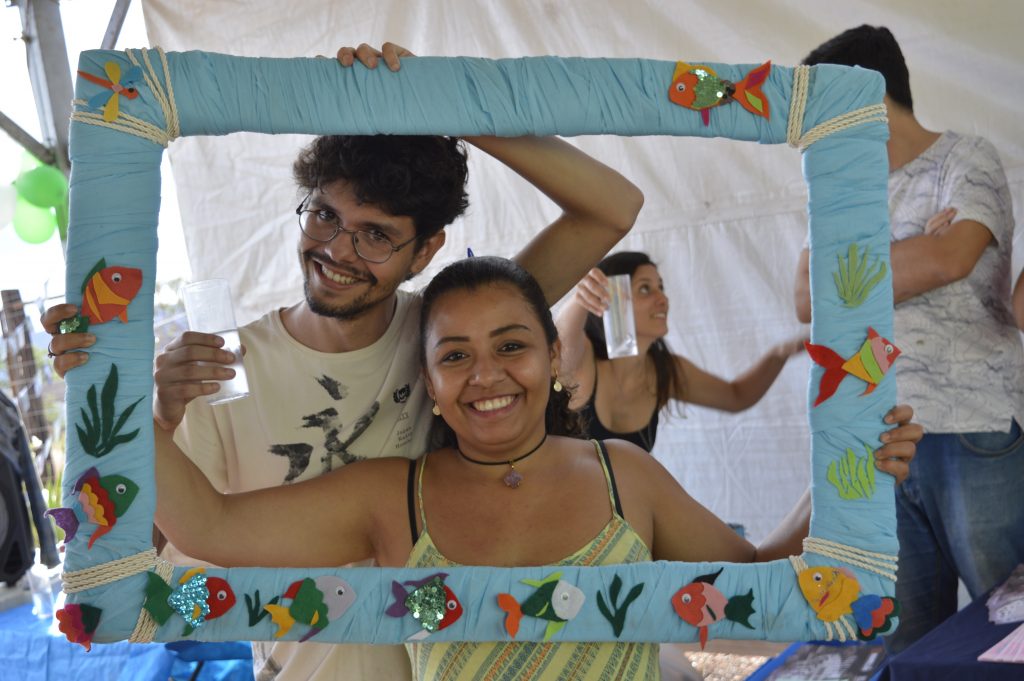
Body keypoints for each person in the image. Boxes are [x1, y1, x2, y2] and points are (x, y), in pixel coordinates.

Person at [44, 42, 646, 681]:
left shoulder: (452, 343)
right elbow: (138, 563)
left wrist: (449, 104)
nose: (337, 250)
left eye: (376, 234)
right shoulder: (220, 372)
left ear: (425, 250)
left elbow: (612, 208)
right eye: (326, 215)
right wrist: (137, 412)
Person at [152, 256, 921, 681]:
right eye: (456, 355)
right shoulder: (390, 497)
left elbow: (758, 577)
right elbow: (210, 525)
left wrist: (849, 477)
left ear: (554, 357)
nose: (486, 375)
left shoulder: (624, 475)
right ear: (429, 383)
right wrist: (137, 408)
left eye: (511, 345)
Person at [794, 25, 1024, 654]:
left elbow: (951, 258)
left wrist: (871, 264)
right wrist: (915, 246)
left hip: (971, 426)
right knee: (902, 643)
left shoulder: (965, 158)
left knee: (1006, 630)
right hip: (879, 441)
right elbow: (806, 300)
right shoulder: (839, 195)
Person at [556, 251, 805, 451]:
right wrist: (580, 300)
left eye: (661, 287)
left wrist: (778, 355)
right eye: (645, 289)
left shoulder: (663, 369)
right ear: (611, 298)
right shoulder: (583, 360)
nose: (662, 299)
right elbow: (561, 344)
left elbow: (736, 397)